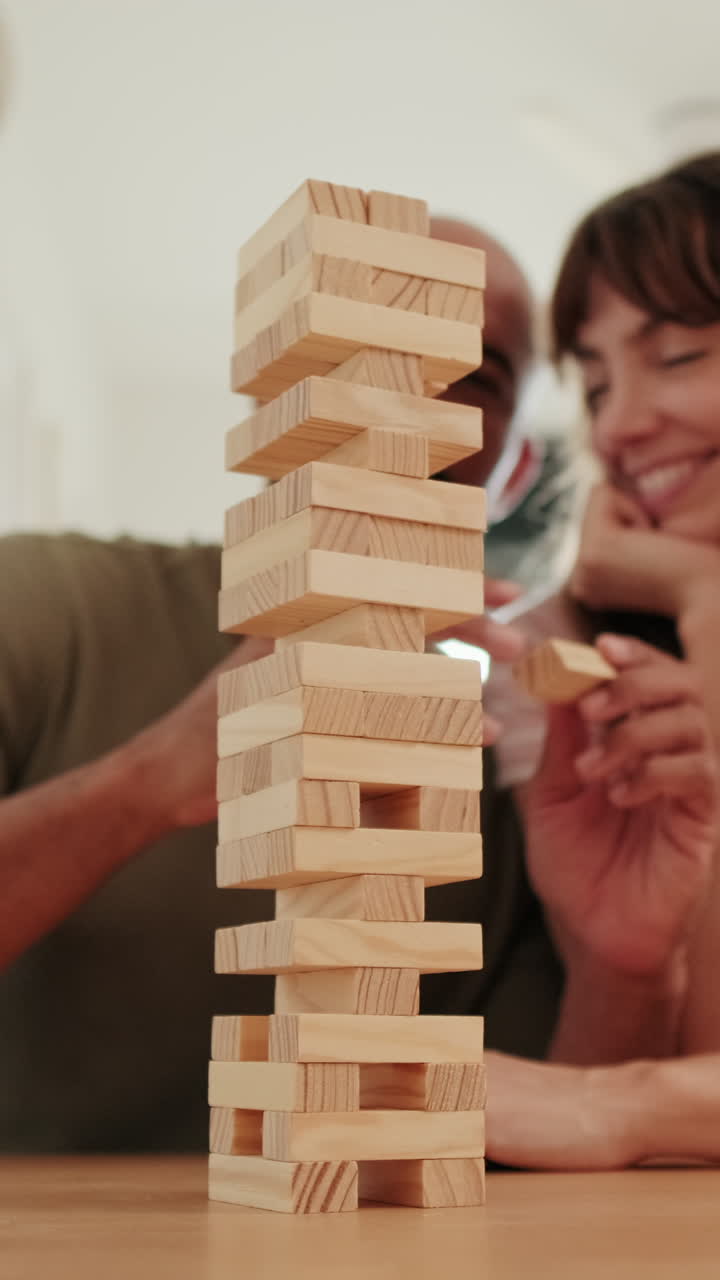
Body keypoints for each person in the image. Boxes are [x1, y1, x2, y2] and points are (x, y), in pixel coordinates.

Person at [0, 220, 548, 1153]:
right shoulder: (45, 605)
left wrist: (632, 968)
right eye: (370, 347)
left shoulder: (525, 763)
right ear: (281, 387)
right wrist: (151, 778)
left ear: (515, 468)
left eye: (474, 375)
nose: (410, 400)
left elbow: (545, 1137)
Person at [484, 151, 720, 1169]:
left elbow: (601, 1107)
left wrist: (626, 1108)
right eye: (592, 380)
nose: (618, 424)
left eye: (678, 357)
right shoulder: (553, 654)